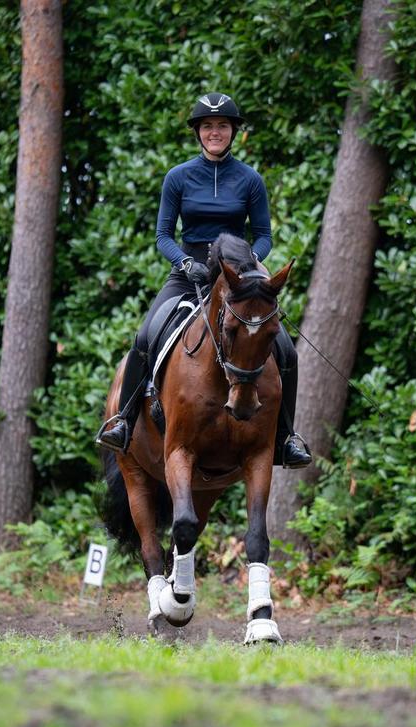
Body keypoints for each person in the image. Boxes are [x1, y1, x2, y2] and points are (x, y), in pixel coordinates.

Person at [98, 92, 311, 468]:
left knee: (286, 350)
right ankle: (124, 422)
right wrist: (183, 262)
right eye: (208, 126)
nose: (216, 132)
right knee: (147, 334)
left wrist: (250, 262)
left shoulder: (250, 179)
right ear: (199, 132)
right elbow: (163, 234)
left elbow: (263, 234)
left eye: (223, 126)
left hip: (237, 276)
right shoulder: (178, 177)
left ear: (232, 131)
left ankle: (286, 438)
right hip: (189, 270)